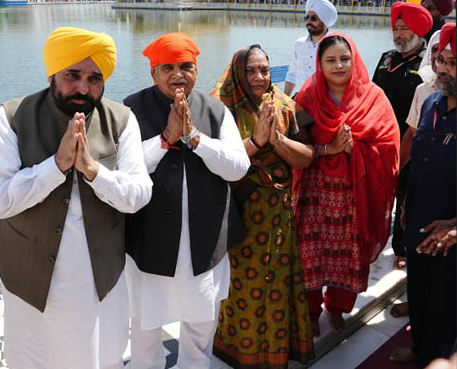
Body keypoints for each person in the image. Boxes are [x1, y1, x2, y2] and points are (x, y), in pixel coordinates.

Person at [0, 27, 153, 369]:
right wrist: (54, 167)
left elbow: (138, 195)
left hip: (99, 281)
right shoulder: (12, 117)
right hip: (31, 281)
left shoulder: (121, 120)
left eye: (95, 78)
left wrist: (93, 171)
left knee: (101, 358)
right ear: (52, 72)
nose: (84, 88)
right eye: (73, 75)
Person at [123, 32, 250, 369]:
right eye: (167, 68)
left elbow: (238, 167)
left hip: (204, 241)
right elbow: (124, 170)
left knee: (200, 322)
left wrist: (195, 138)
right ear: (153, 73)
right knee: (146, 323)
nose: (178, 75)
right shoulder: (129, 109)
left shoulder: (215, 109)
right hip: (148, 240)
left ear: (197, 69)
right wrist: (165, 139)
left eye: (186, 66)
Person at [209, 45, 316, 367]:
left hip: (278, 213)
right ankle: (239, 350)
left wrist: (277, 141)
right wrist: (256, 143)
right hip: (239, 214)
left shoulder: (284, 106)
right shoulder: (220, 108)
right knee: (242, 287)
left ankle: (279, 349)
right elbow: (214, 163)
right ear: (237, 72)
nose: (259, 77)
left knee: (279, 282)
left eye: (265, 70)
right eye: (251, 70)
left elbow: (307, 157)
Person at [293, 33, 400, 333]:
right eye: (330, 60)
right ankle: (311, 311)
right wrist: (331, 149)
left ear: (355, 60)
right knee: (310, 252)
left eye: (344, 58)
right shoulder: (307, 97)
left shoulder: (373, 97)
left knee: (350, 253)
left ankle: (337, 307)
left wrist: (358, 149)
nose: (338, 65)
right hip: (314, 192)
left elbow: (388, 145)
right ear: (319, 63)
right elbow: (296, 147)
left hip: (356, 192)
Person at [390, 23, 457, 366]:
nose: (443, 68)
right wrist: (406, 208)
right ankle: (420, 350)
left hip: (452, 231)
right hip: (419, 215)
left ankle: (442, 358)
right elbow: (419, 156)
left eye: (453, 63)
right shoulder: (431, 101)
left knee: (448, 300)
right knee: (420, 289)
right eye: (441, 60)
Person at [372, 1, 432, 287]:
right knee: (378, 192)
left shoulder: (427, 65)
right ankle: (373, 239)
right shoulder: (386, 58)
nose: (398, 34)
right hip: (380, 140)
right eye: (395, 28)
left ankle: (401, 248)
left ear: (419, 32)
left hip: (412, 140)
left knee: (406, 196)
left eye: (404, 29)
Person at [390, 28, 442, 318]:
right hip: (421, 180)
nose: (438, 61)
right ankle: (416, 301)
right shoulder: (424, 92)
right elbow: (411, 135)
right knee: (417, 245)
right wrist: (396, 173)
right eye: (435, 53)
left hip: (449, 186)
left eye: (447, 56)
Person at [283, 0, 338, 97]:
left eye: (313, 18)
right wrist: (284, 102)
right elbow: (292, 75)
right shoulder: (299, 44)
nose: (309, 22)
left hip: (326, 103)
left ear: (324, 21)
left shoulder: (336, 45)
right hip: (301, 100)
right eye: (306, 18)